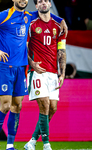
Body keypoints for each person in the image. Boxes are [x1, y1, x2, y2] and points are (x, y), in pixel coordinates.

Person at [0, 0, 67, 150]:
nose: (23, 0)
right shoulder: (4, 15)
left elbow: (44, 13)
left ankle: (10, 145)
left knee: (17, 106)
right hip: (4, 66)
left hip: (21, 68)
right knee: (5, 106)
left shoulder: (27, 16)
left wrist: (61, 20)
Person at [24, 0, 66, 150]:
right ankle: (46, 145)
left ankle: (32, 142)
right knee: (45, 106)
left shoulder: (58, 26)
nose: (43, 3)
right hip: (37, 72)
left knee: (52, 108)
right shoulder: (31, 24)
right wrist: (32, 64)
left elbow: (61, 51)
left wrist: (62, 73)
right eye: (40, 1)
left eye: (46, 1)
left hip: (53, 73)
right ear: (36, 6)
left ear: (49, 4)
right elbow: (25, 47)